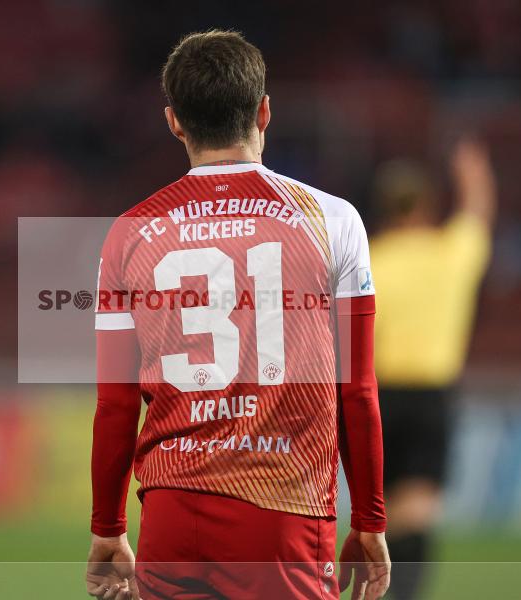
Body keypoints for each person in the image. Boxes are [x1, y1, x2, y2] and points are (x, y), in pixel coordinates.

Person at [86, 30, 390, 600]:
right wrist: (370, 519)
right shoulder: (332, 219)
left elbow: (116, 404)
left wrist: (108, 527)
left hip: (171, 516)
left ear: (174, 122)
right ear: (264, 112)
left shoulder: (128, 233)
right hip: (282, 512)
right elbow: (357, 388)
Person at [369, 139, 497, 599]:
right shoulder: (448, 255)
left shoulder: (370, 258)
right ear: (426, 204)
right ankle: (405, 592)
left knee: (383, 508)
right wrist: (472, 169)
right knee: (419, 506)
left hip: (378, 394)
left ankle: (385, 588)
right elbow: (478, 214)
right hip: (430, 394)